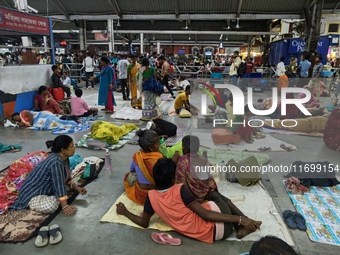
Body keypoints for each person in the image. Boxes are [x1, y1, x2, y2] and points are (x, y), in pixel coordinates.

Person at [117, 158, 262, 243]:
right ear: (174, 179)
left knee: (207, 202)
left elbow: (144, 223)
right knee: (214, 193)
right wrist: (240, 219)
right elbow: (205, 215)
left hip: (211, 235)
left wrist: (125, 212)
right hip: (219, 227)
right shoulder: (179, 189)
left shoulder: (151, 196)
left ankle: (241, 226)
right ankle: (242, 225)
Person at [10, 135, 87, 215]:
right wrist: (65, 206)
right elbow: (59, 185)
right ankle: (31, 204)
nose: (74, 148)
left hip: (41, 189)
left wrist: (76, 187)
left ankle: (58, 195)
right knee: (52, 206)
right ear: (63, 150)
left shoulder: (63, 158)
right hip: (31, 195)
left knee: (64, 190)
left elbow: (65, 177)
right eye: (71, 146)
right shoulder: (55, 162)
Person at [123, 130, 164, 205]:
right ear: (151, 148)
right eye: (158, 143)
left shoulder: (137, 157)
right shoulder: (159, 158)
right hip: (155, 195)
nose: (159, 145)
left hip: (140, 194)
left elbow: (132, 170)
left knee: (128, 177)